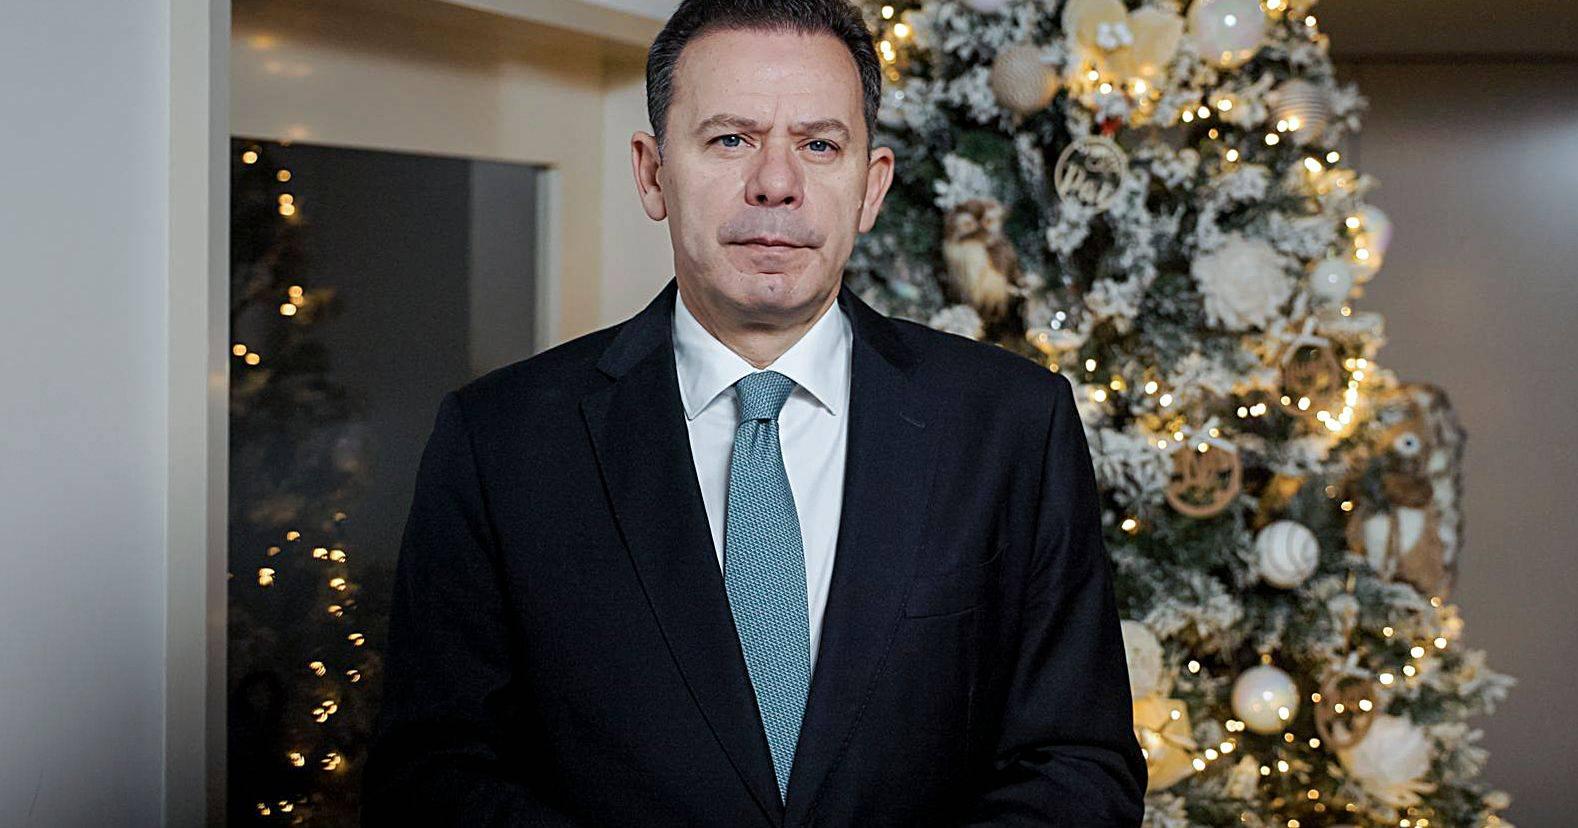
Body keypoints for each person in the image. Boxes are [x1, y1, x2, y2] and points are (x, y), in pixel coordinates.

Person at [361, 0, 1146, 824]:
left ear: (872, 186)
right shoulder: (499, 441)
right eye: (731, 139)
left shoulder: (1012, 425)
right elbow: (430, 780)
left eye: (819, 145)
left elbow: (1078, 765)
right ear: (652, 173)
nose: (776, 183)